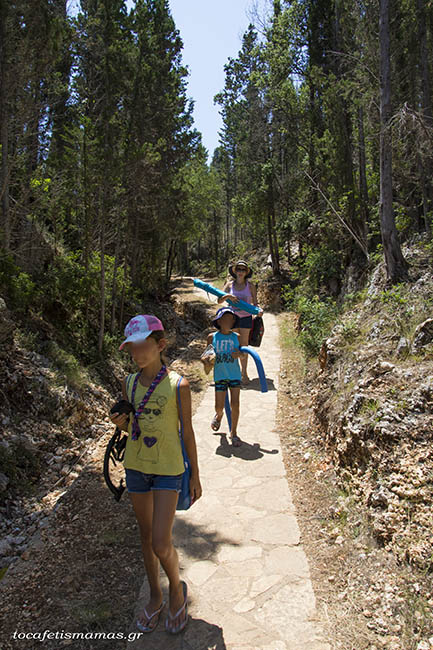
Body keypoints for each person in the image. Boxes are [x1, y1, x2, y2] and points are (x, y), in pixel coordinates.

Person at [109, 314, 202, 635]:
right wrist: (121, 423)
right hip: (136, 467)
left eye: (143, 346)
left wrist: (195, 475)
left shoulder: (179, 385)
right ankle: (155, 596)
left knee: (162, 542)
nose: (136, 354)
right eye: (131, 348)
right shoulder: (129, 383)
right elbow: (130, 427)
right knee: (146, 538)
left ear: (160, 345)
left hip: (168, 470)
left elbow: (187, 433)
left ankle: (176, 589)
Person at [218, 259, 263, 383]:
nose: (240, 272)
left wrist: (259, 310)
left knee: (244, 347)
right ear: (235, 271)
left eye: (243, 270)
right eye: (238, 269)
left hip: (246, 318)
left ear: (246, 272)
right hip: (232, 319)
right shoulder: (229, 285)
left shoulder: (251, 286)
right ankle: (233, 373)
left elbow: (255, 303)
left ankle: (244, 374)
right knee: (232, 347)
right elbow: (219, 300)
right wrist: (227, 296)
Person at [206, 306, 245, 447]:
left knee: (235, 404)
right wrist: (208, 359)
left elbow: (243, 354)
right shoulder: (212, 337)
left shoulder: (237, 337)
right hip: (220, 375)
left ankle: (234, 433)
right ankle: (219, 415)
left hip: (234, 374)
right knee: (219, 406)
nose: (228, 322)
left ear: (233, 322)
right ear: (219, 321)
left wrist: (239, 355)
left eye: (230, 319)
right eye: (225, 319)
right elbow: (206, 355)